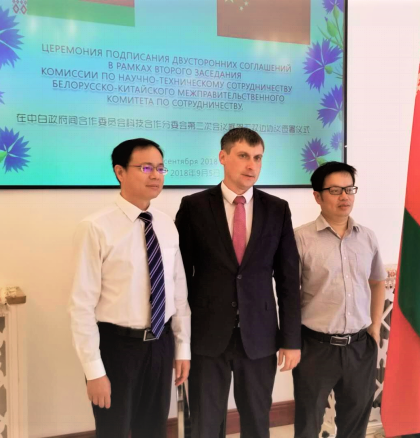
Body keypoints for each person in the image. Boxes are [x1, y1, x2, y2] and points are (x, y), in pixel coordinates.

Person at [175, 127, 301, 437]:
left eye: (258, 158)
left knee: (257, 421)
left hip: (259, 336)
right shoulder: (194, 206)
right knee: (205, 423)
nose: (251, 165)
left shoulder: (277, 209)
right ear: (223, 157)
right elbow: (180, 278)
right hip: (207, 336)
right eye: (243, 156)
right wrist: (180, 339)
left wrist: (291, 339)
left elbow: (288, 279)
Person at [68, 138, 191, 438]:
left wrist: (182, 348)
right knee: (115, 430)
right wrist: (94, 371)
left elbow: (178, 293)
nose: (155, 175)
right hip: (117, 348)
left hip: (160, 344)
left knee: (154, 430)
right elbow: (81, 305)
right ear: (120, 172)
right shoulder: (95, 227)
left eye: (160, 168)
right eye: (146, 168)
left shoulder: (166, 224)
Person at [291, 161, 387, 437]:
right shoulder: (301, 238)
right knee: (308, 422)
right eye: (335, 190)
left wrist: (375, 326)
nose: (344, 196)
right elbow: (289, 293)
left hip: (360, 346)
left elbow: (377, 281)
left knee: (355, 422)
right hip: (315, 347)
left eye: (349, 189)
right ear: (317, 196)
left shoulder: (367, 237)